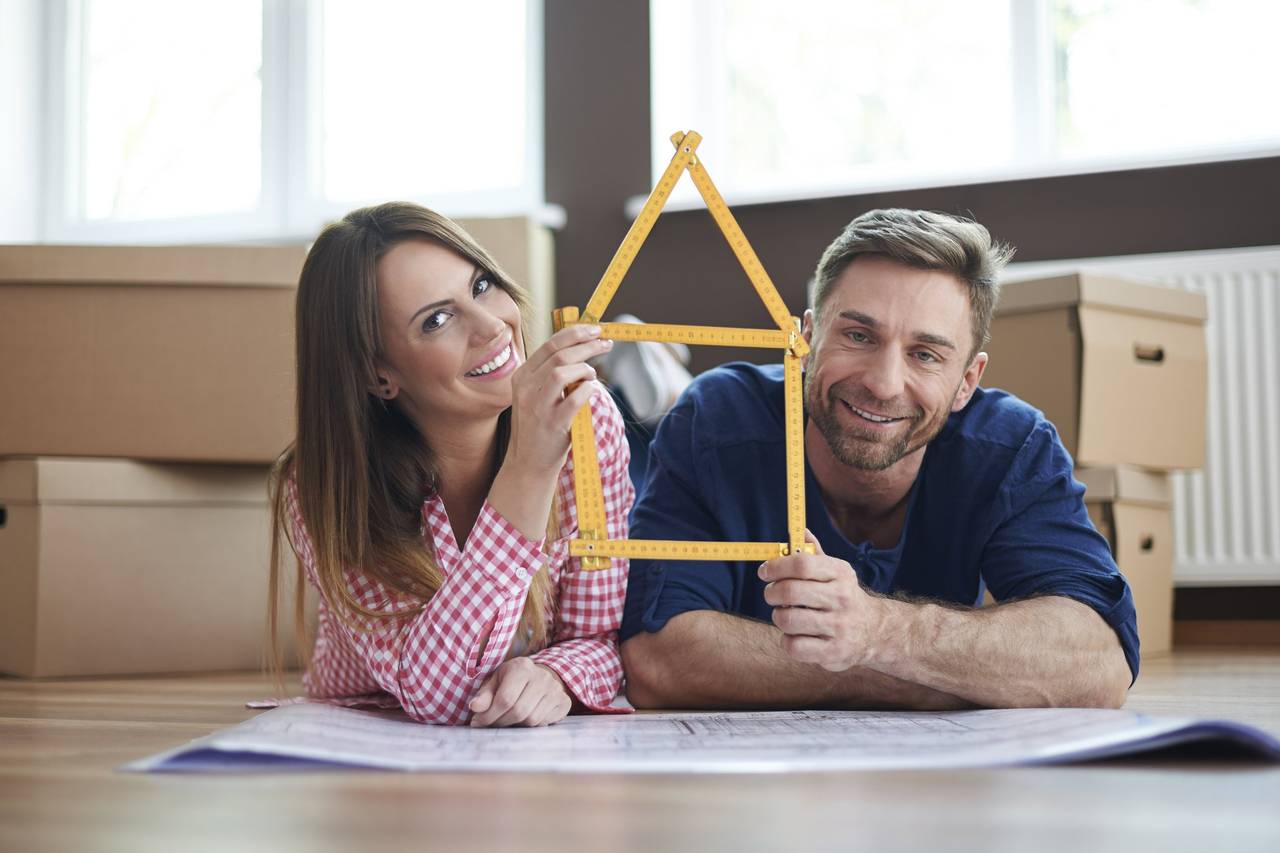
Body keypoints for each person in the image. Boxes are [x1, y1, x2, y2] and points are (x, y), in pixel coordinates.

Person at [620, 208, 1137, 711]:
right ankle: (655, 382)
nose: (883, 383)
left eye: (926, 354)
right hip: (683, 441)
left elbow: (1098, 661)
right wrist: (937, 677)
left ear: (968, 382)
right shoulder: (716, 418)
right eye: (858, 336)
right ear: (806, 339)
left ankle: (660, 376)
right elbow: (656, 659)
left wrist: (878, 631)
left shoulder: (1012, 446)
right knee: (630, 438)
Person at [268, 202, 633, 727]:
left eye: (482, 286)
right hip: (372, 737)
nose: (491, 327)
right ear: (379, 376)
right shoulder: (326, 484)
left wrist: (556, 675)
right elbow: (437, 696)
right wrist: (529, 467)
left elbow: (598, 639)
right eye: (437, 320)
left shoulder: (586, 418)